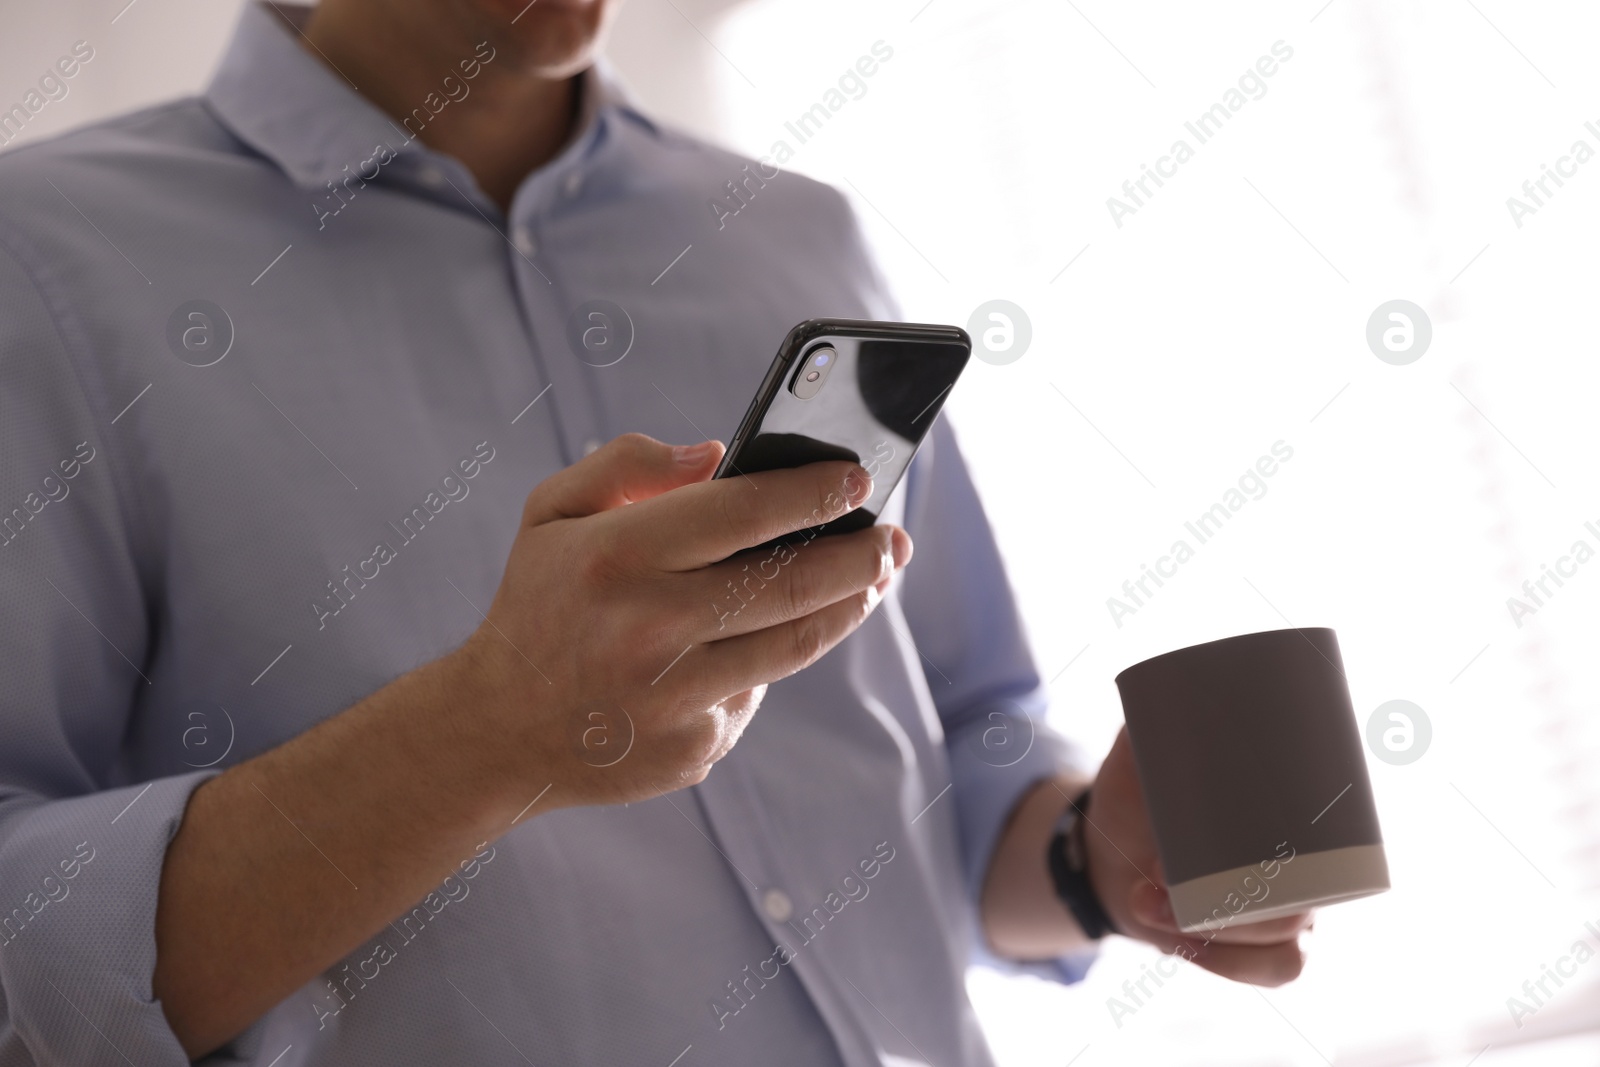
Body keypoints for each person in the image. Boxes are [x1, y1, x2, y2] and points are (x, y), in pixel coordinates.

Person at [0, 1, 1312, 1063]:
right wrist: (482, 735)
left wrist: (1092, 862)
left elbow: (959, 741)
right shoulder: (44, 263)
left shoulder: (801, 236)